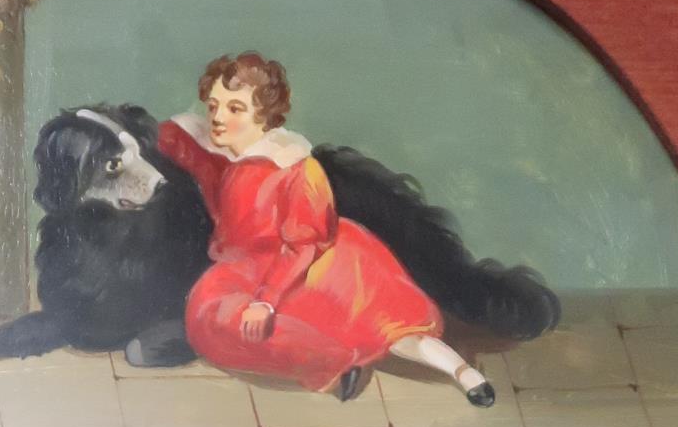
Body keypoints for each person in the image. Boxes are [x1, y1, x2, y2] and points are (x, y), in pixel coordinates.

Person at [156, 53, 497, 404]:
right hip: (240, 274)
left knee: (382, 320)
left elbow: (303, 245)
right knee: (210, 322)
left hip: (308, 265)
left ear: (264, 115)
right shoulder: (223, 160)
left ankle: (463, 373)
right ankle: (341, 362)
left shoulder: (295, 169)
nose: (217, 117)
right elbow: (175, 140)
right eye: (213, 106)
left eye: (235, 109)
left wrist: (268, 301)